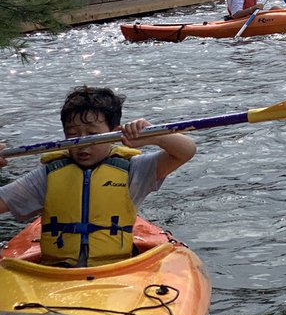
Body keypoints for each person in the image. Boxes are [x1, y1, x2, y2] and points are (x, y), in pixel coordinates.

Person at [0, 86, 196, 267]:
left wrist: (157, 137)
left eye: (92, 134)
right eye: (73, 135)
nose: (82, 144)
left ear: (114, 133)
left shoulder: (134, 170)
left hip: (117, 270)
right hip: (56, 272)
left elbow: (186, 151)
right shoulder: (47, 176)